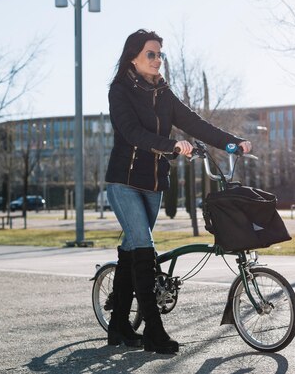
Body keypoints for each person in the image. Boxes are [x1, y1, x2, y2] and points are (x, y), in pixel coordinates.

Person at [104, 29, 252, 354]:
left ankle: (118, 327)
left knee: (131, 251)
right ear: (133, 57)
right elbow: (131, 133)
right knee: (144, 249)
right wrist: (171, 145)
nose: (158, 60)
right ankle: (154, 334)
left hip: (154, 184)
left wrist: (232, 143)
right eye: (151, 54)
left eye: (160, 55)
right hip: (124, 182)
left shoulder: (164, 94)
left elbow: (196, 124)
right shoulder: (120, 91)